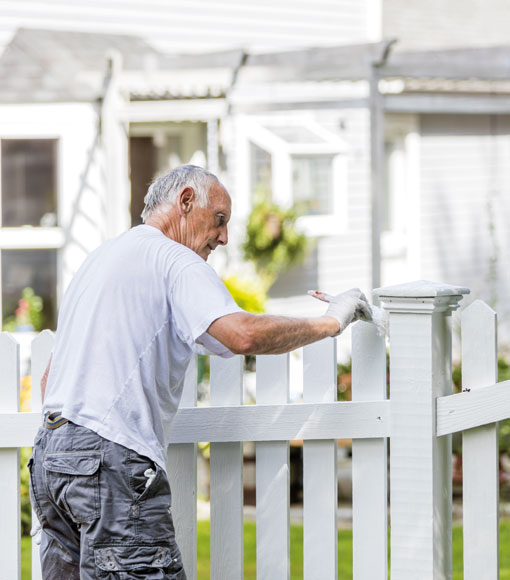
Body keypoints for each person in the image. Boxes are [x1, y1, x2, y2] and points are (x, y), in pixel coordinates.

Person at [29, 164, 371, 579]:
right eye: (220, 219)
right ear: (186, 201)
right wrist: (331, 323)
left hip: (52, 458)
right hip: (109, 459)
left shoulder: (100, 260)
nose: (224, 237)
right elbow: (240, 335)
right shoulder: (175, 259)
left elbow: (51, 378)